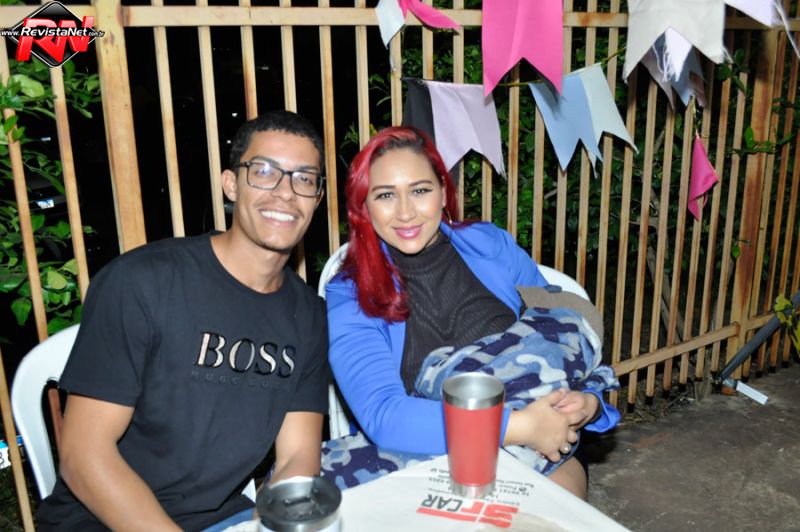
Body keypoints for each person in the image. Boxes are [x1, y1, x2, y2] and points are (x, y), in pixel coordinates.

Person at [37, 110, 330, 531]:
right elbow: (84, 456)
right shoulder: (143, 283)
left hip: (221, 518)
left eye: (303, 178)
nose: (285, 192)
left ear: (317, 198)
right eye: (264, 172)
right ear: (231, 184)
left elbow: (297, 457)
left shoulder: (309, 316)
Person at [324, 126, 618, 498]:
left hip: (540, 447)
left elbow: (562, 333)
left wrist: (589, 402)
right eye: (385, 195)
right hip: (423, 455)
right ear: (364, 207)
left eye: (420, 190)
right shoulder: (351, 292)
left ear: (443, 191)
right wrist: (518, 426)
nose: (405, 212)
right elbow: (384, 415)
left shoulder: (490, 245)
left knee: (555, 508)